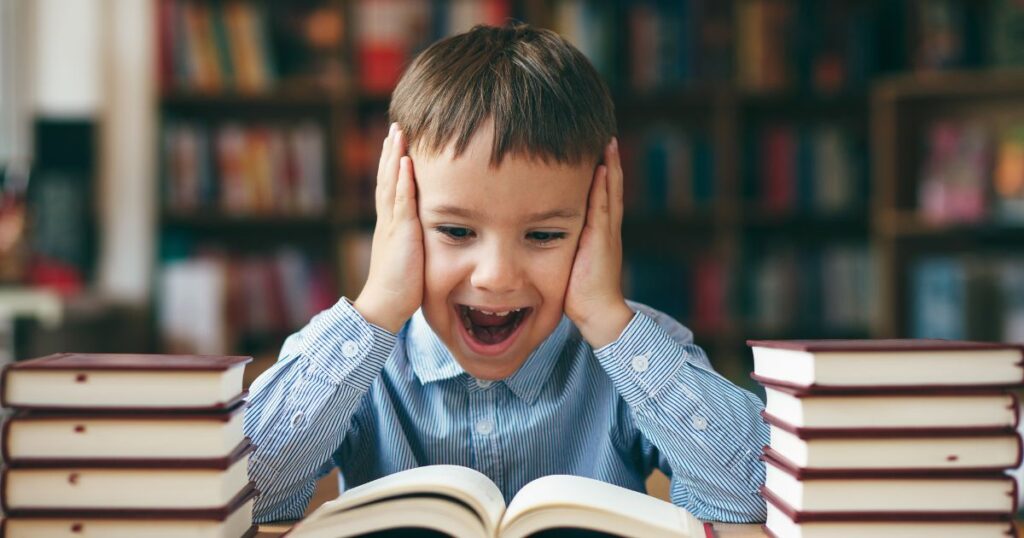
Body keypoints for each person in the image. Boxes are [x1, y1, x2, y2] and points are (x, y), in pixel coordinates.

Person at [244, 22, 768, 524]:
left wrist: (610, 322)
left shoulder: (636, 357)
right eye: (455, 231)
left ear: (597, 225)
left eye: (543, 236)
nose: (496, 276)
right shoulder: (356, 361)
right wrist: (378, 306)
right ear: (397, 219)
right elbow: (246, 490)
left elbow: (755, 492)